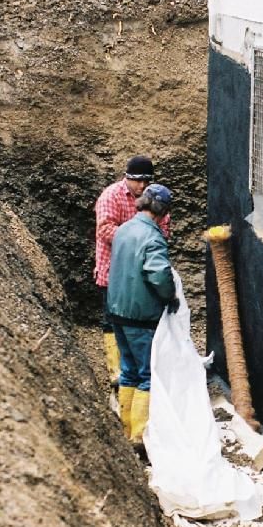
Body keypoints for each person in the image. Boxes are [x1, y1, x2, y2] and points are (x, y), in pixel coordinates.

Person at [106, 183, 179, 444]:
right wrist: (170, 296)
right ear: (162, 211)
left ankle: (124, 429)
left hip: (117, 310)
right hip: (141, 315)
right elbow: (158, 275)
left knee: (129, 371)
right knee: (147, 374)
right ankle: (139, 437)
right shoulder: (153, 238)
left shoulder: (124, 229)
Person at [94, 155, 172, 384]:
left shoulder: (153, 199)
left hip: (140, 274)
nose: (142, 186)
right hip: (113, 271)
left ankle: (129, 371)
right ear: (126, 178)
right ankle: (114, 371)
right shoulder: (111, 196)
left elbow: (164, 231)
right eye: (137, 181)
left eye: (146, 181)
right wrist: (135, 239)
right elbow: (105, 229)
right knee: (113, 321)